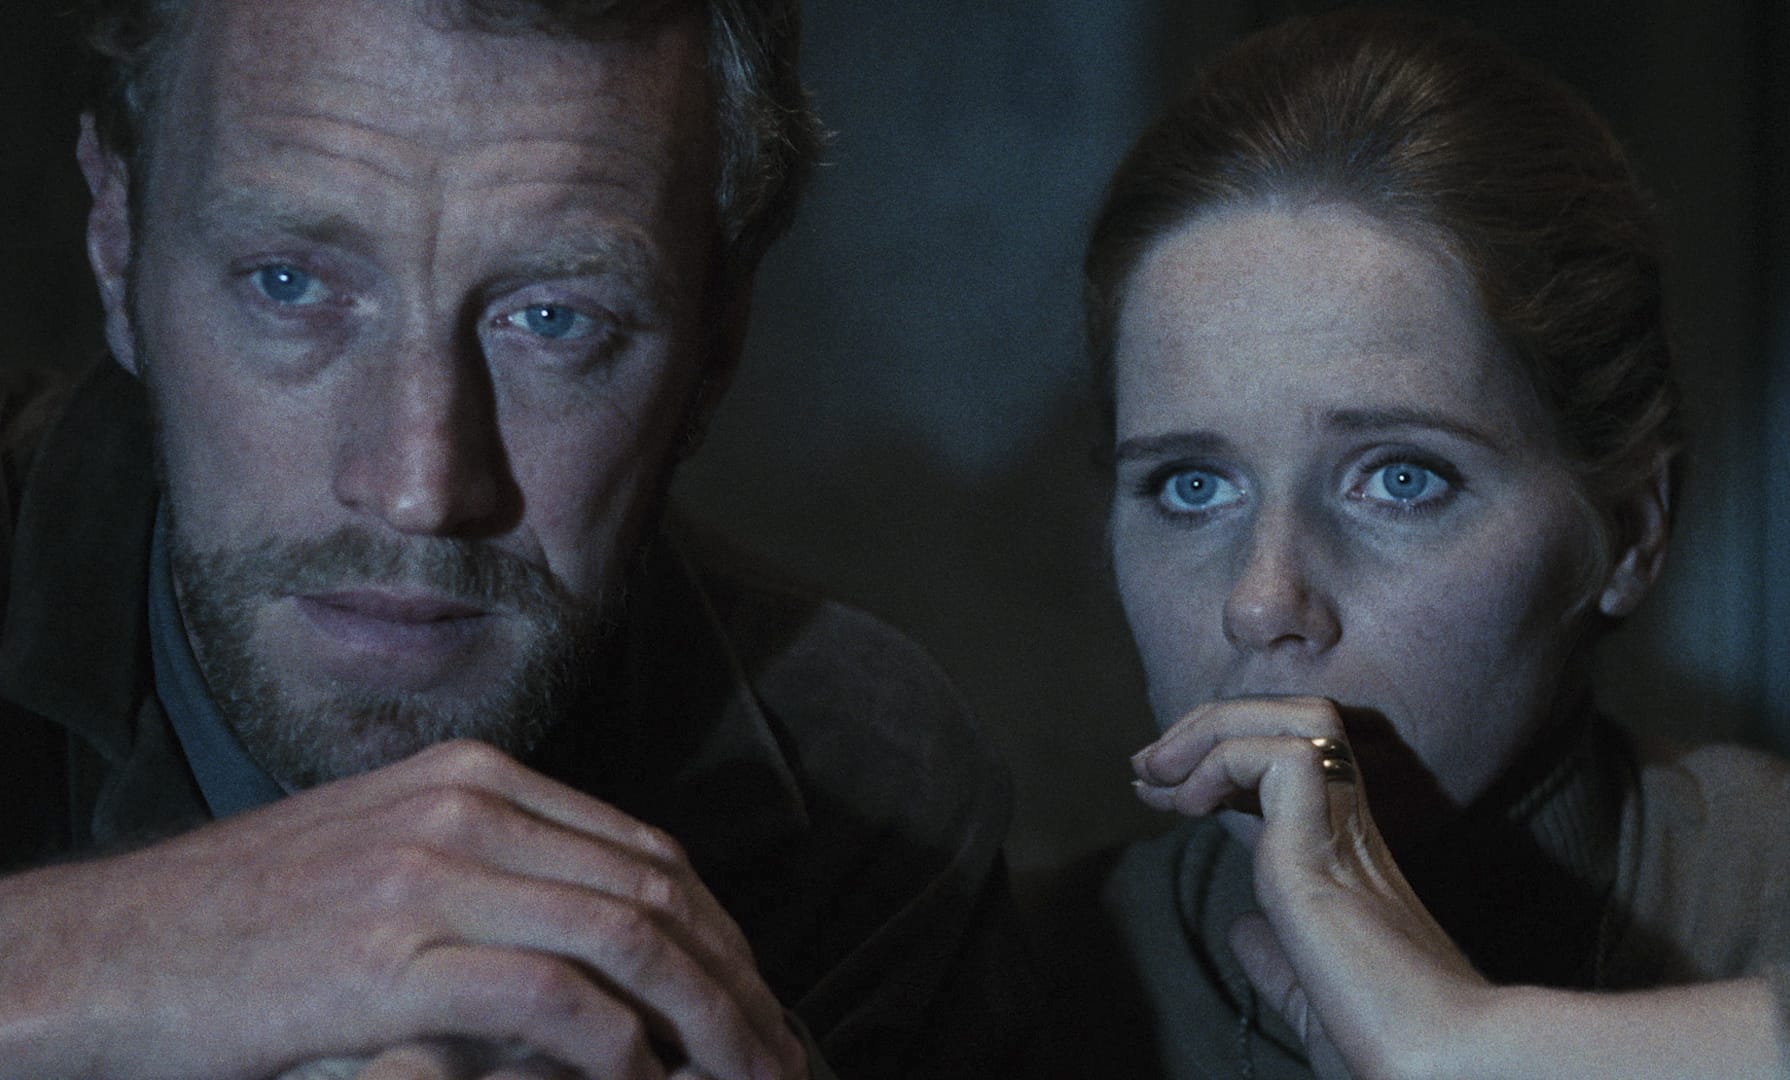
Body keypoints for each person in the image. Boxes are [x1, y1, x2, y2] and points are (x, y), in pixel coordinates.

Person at [0, 1, 1026, 1077]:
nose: (420, 490)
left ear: (718, 341)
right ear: (117, 245)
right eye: (288, 284)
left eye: (554, 319)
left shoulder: (864, 798)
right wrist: (125, 954)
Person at [1029, 9, 1790, 1079]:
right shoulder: (1007, 983)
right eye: (1190, 486)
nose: (1261, 600)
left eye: (1401, 479)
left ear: (1627, 531)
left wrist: (1468, 1048)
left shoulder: (1761, 884)